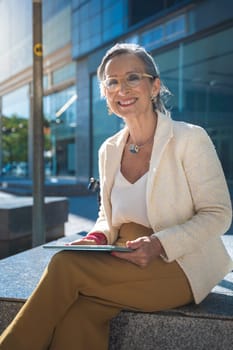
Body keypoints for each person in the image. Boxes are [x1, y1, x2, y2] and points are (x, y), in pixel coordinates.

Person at [0, 43, 232, 350]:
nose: (121, 88)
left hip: (180, 265)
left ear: (155, 86)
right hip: (121, 257)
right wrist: (96, 239)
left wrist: (159, 243)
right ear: (105, 94)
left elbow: (218, 214)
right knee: (79, 317)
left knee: (64, 265)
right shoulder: (108, 149)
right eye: (112, 81)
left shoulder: (190, 138)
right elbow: (107, 217)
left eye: (133, 77)